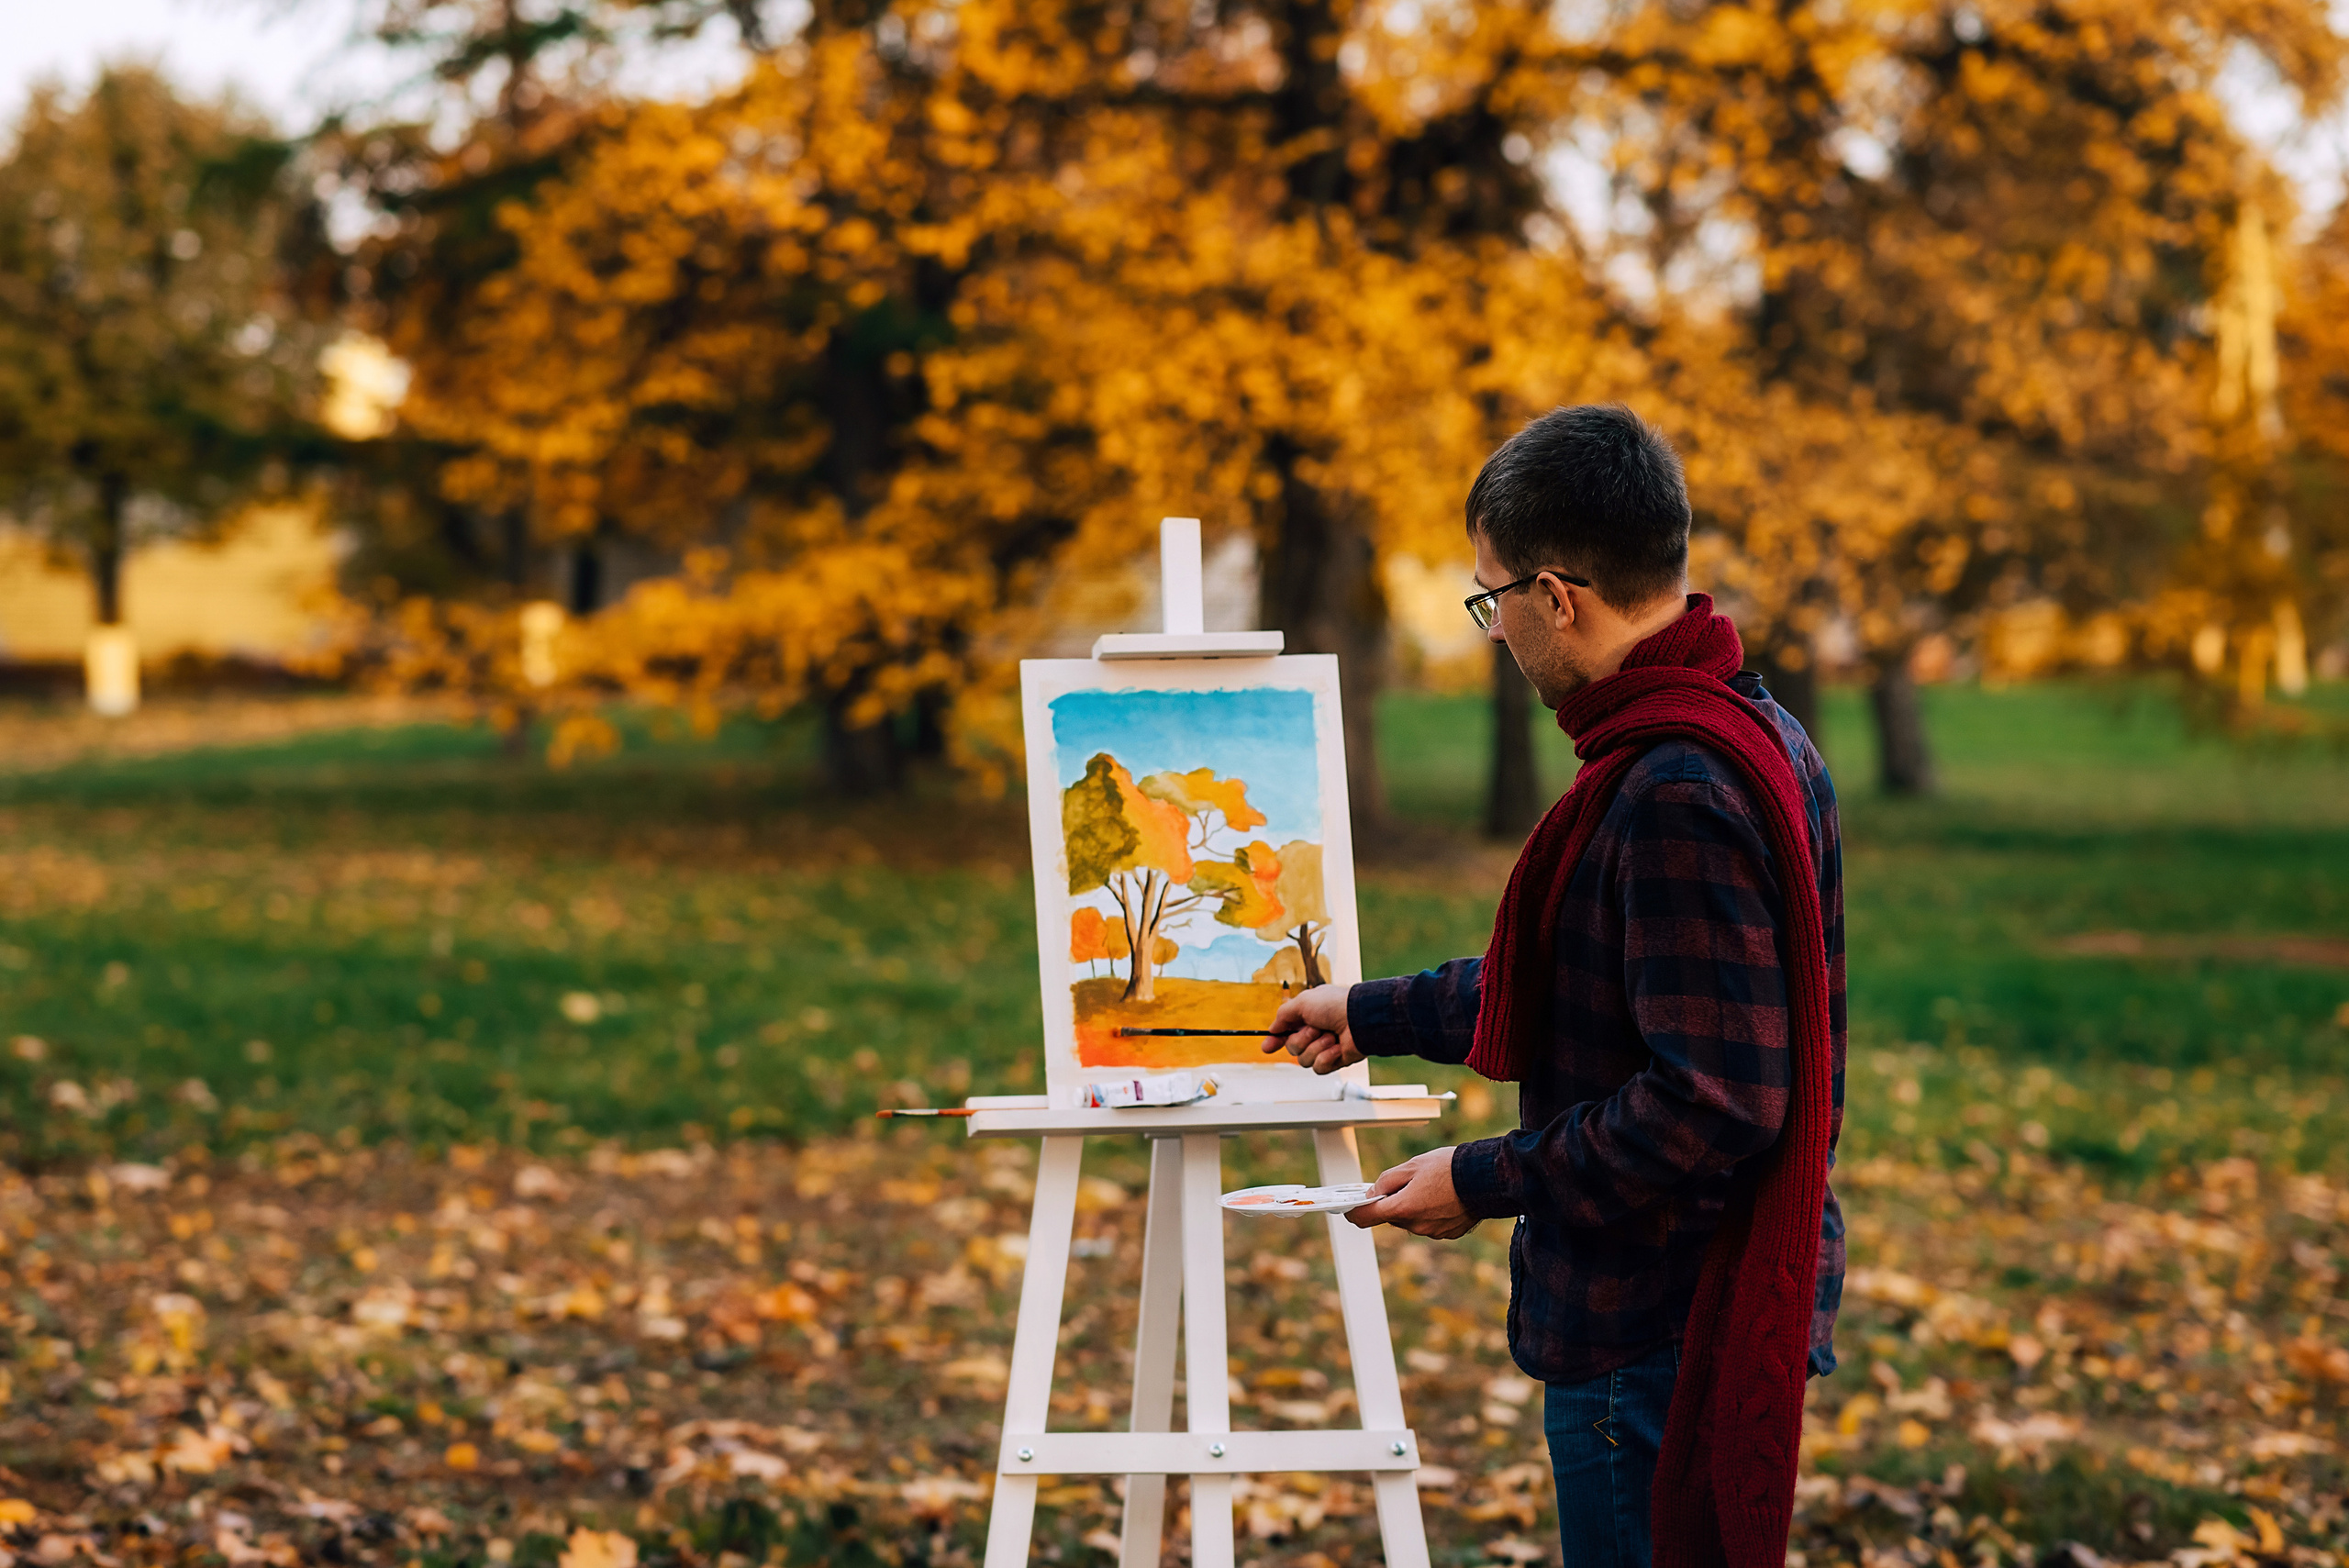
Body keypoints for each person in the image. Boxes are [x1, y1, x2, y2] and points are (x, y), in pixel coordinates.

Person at [1264, 405, 1845, 1568]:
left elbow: (1714, 1100)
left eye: (1491, 599)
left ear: (1558, 594)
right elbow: (1597, 974)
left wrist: (1481, 1178)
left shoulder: (1675, 785)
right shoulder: (1753, 728)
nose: (1492, 630)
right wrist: (1370, 1008)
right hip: (1670, 1306)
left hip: (1656, 1322)